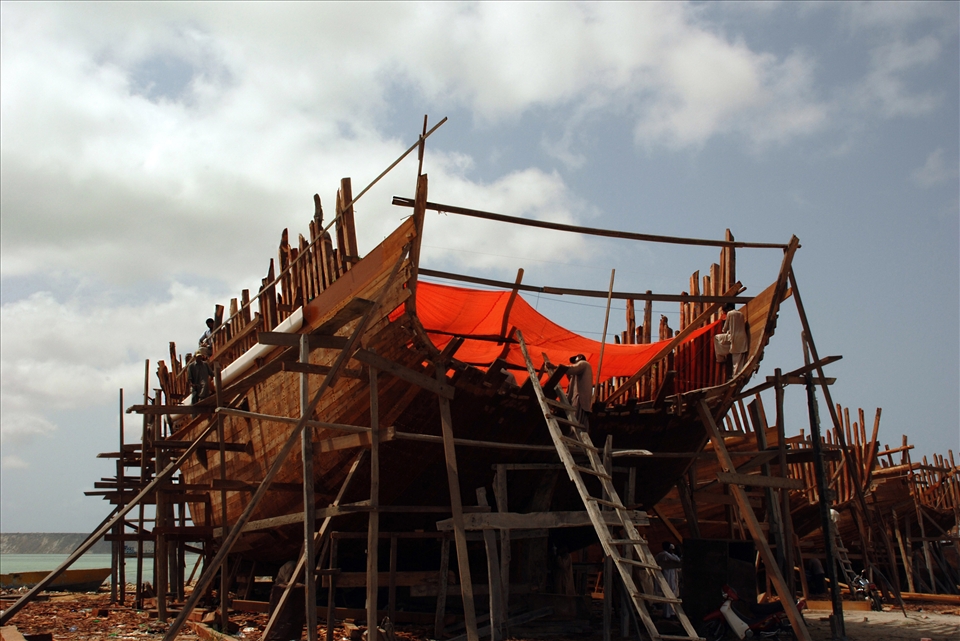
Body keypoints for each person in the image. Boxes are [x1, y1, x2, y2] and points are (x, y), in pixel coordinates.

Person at [714, 303, 748, 376]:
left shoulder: (730, 313)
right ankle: (736, 374)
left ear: (728, 309)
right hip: (742, 337)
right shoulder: (741, 314)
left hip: (733, 337)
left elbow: (725, 328)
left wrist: (724, 329)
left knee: (717, 338)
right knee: (738, 360)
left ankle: (721, 357)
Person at [565, 354, 593, 431]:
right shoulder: (582, 370)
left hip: (580, 398)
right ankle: (581, 438)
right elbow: (571, 385)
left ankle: (576, 438)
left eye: (575, 360)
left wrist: (556, 367)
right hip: (581, 399)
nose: (574, 363)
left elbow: (572, 369)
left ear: (580, 357)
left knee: (577, 421)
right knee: (580, 422)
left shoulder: (583, 363)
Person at [654, 542, 682, 619]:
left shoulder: (660, 555)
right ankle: (668, 613)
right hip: (668, 576)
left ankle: (669, 612)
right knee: (670, 594)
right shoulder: (666, 554)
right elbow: (677, 559)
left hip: (666, 576)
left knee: (667, 595)